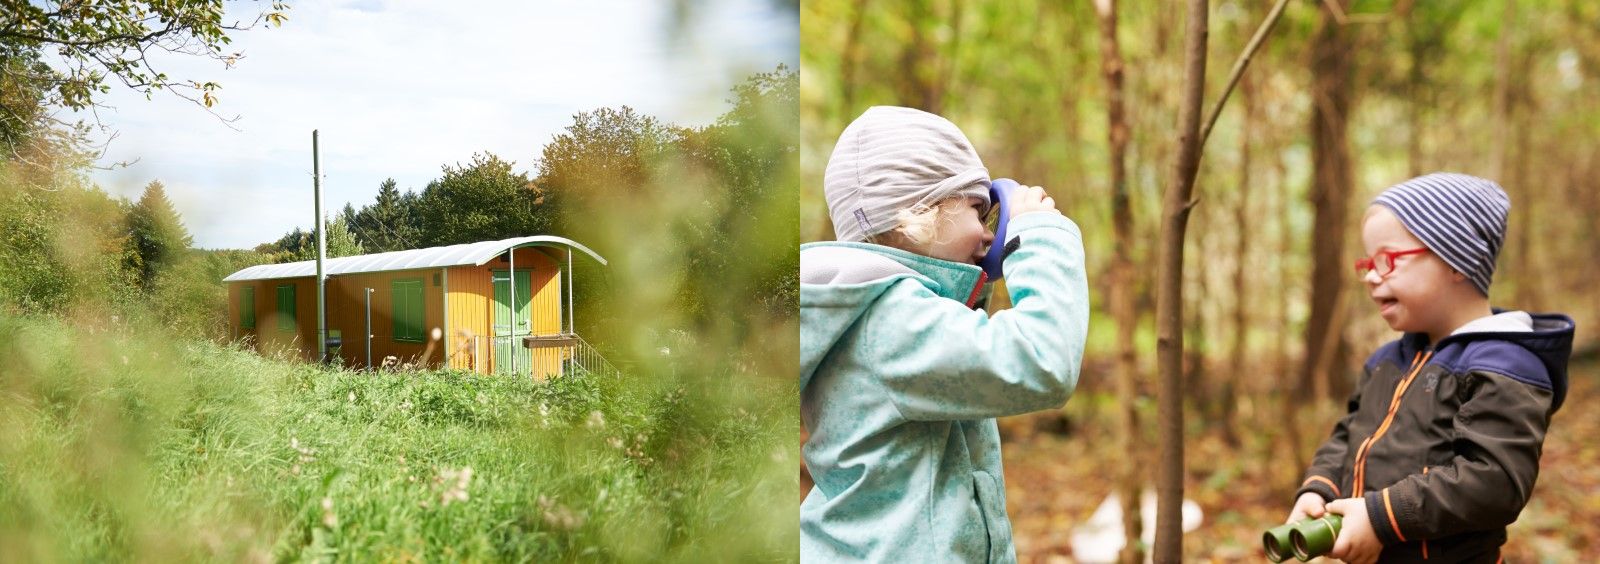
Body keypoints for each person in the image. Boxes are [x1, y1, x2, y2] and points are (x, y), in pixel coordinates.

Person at [799, 105, 1090, 562]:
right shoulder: (893, 322)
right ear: (919, 213)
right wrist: (1040, 237)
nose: (987, 235)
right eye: (978, 209)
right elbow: (1042, 360)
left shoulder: (874, 315)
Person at [1288, 172, 1575, 563]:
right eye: (1368, 263)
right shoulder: (1387, 361)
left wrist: (1381, 517)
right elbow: (1347, 436)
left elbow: (1493, 482)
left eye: (1387, 260)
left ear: (1456, 260)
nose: (1371, 277)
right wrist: (1318, 490)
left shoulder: (1504, 366)